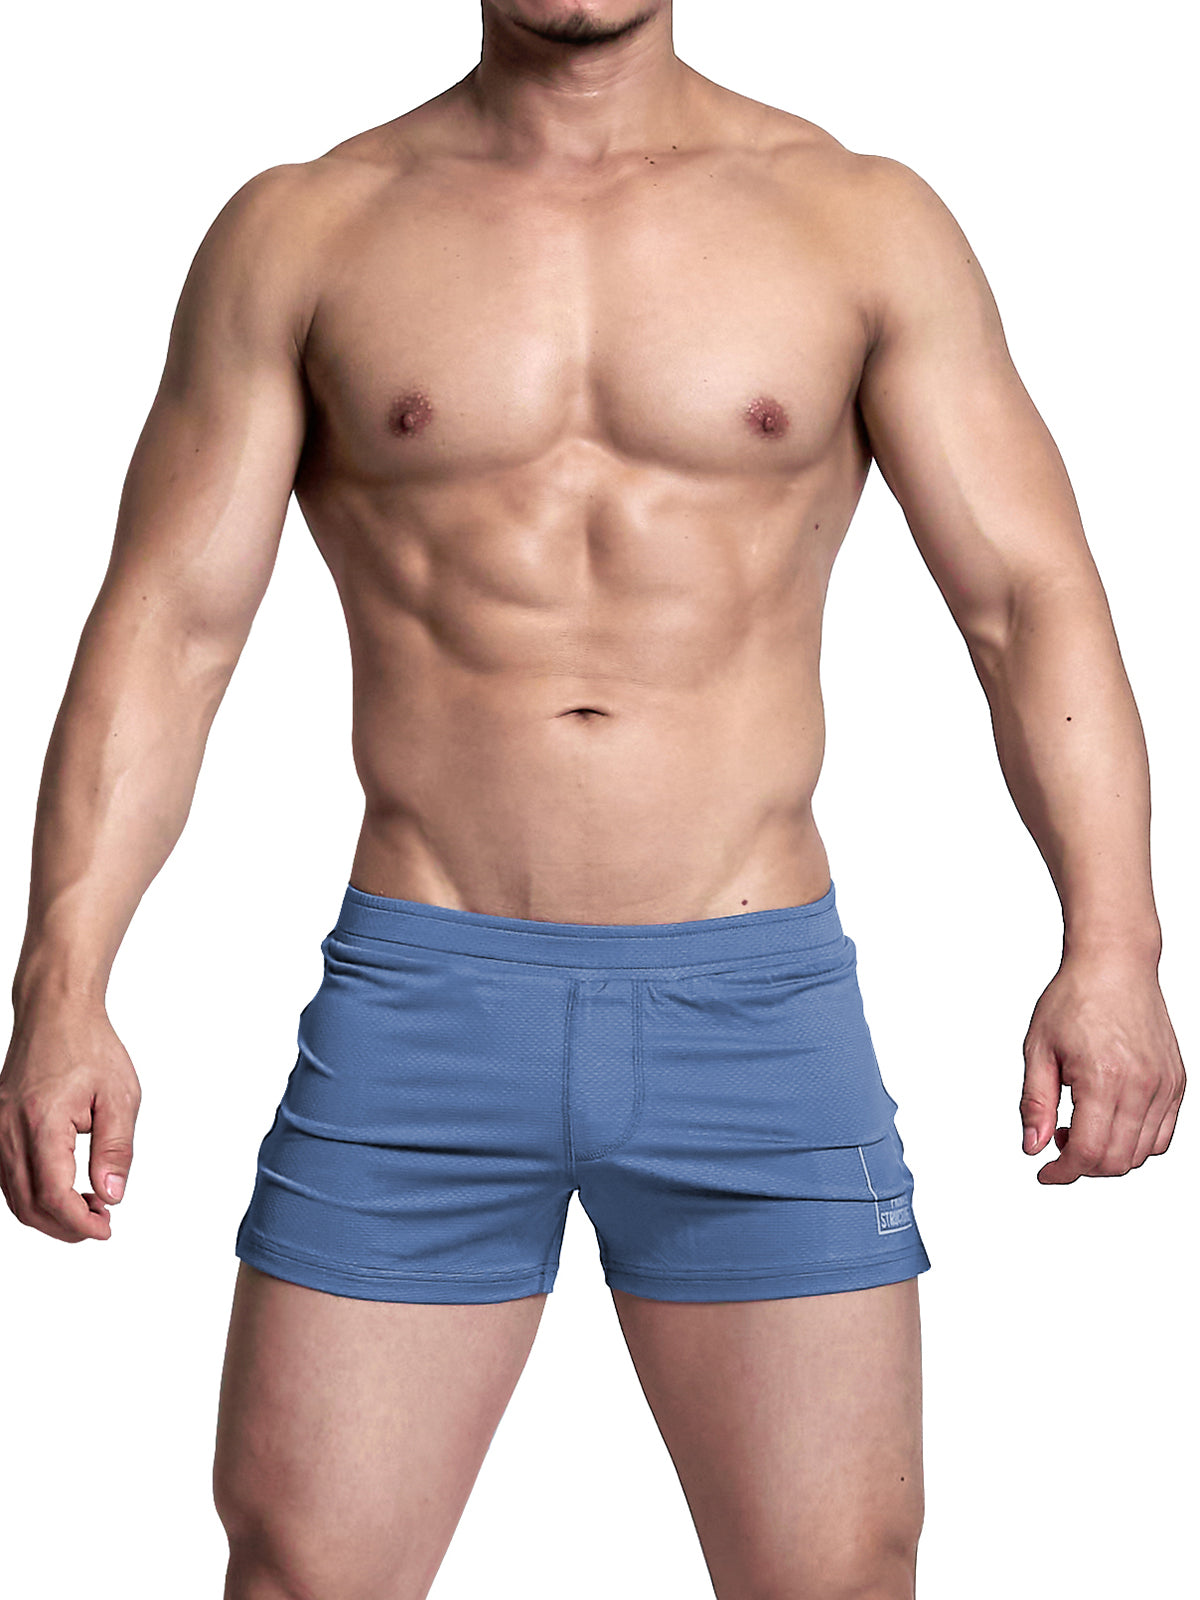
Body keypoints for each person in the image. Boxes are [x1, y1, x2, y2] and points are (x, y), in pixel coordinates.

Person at [0, 3, 1186, 1597]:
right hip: (424, 1001)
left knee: (841, 1579)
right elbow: (169, 630)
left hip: (755, 1009)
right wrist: (62, 986)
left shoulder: (855, 221)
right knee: (301, 1575)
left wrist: (1114, 947)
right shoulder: (310, 230)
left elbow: (1026, 601)